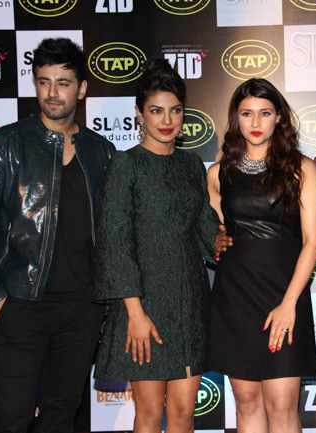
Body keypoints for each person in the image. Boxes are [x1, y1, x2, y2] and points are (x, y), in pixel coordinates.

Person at [0, 38, 115, 432]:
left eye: (63, 83)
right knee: (10, 418)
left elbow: (113, 230)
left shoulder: (101, 151)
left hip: (82, 308)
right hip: (22, 302)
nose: (52, 93)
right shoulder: (7, 142)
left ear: (82, 88)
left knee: (61, 415)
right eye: (44, 81)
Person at [92, 58, 219, 433]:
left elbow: (206, 229)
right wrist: (134, 313)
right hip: (143, 305)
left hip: (189, 301)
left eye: (175, 110)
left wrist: (235, 241)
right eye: (156, 110)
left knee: (183, 414)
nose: (167, 120)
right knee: (148, 416)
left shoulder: (191, 165)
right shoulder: (125, 165)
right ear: (139, 113)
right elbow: (115, 242)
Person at [206, 78, 316, 432]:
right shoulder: (218, 174)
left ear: (279, 117)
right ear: (236, 119)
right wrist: (214, 241)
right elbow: (215, 232)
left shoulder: (302, 169)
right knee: (246, 402)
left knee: (282, 405)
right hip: (234, 298)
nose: (255, 123)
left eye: (265, 113)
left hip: (283, 294)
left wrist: (289, 304)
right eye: (247, 114)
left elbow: (312, 242)